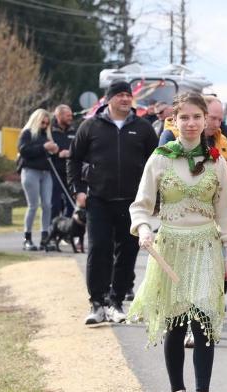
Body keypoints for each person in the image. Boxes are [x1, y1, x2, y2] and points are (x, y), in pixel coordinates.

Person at [128, 92, 227, 392]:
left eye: (196, 117)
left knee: (203, 321)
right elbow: (140, 206)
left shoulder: (216, 160)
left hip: (206, 247)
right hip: (170, 247)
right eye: (184, 118)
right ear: (173, 122)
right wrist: (144, 228)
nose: (190, 124)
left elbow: (225, 212)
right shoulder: (160, 158)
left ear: (206, 121)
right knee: (175, 324)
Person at [67, 80, 159, 325]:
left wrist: (155, 195)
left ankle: (116, 302)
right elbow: (73, 159)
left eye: (128, 95)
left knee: (127, 253)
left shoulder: (143, 128)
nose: (125, 99)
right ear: (108, 99)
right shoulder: (90, 126)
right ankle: (97, 303)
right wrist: (78, 189)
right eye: (119, 95)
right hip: (98, 199)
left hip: (132, 203)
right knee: (98, 250)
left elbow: (156, 163)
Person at [18, 108, 59, 251]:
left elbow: (50, 154)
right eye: (42, 122)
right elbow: (24, 151)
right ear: (36, 120)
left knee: (47, 205)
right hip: (30, 171)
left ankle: (44, 237)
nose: (45, 125)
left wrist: (54, 150)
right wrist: (43, 147)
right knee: (33, 205)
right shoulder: (27, 133)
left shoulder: (47, 135)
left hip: (46, 172)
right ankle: (27, 238)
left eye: (47, 123)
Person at [50, 104, 76, 221]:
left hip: (70, 172)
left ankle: (65, 229)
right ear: (58, 116)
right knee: (54, 205)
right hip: (54, 172)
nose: (71, 118)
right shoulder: (50, 132)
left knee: (71, 204)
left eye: (71, 115)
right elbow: (44, 149)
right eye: (68, 116)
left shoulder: (74, 131)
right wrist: (58, 153)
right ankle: (51, 231)